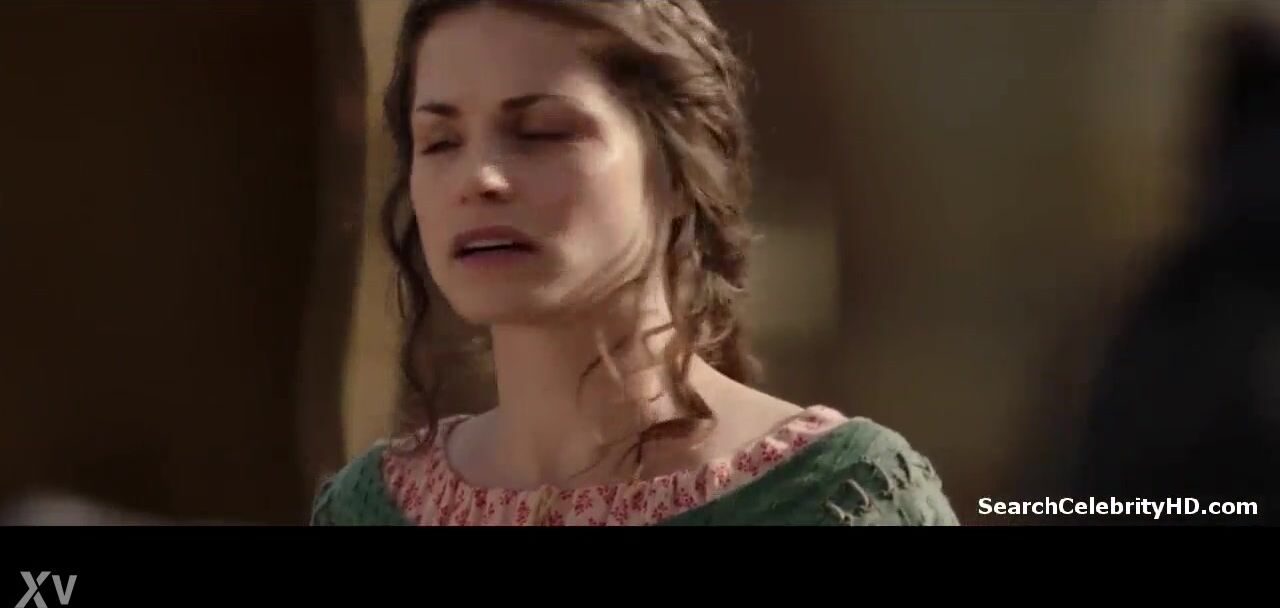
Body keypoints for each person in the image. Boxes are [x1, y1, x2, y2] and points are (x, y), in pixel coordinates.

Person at [310, 0, 959, 526]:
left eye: (541, 132)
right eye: (440, 141)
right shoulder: (370, 509)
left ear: (678, 168)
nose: (479, 178)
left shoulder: (834, 498)